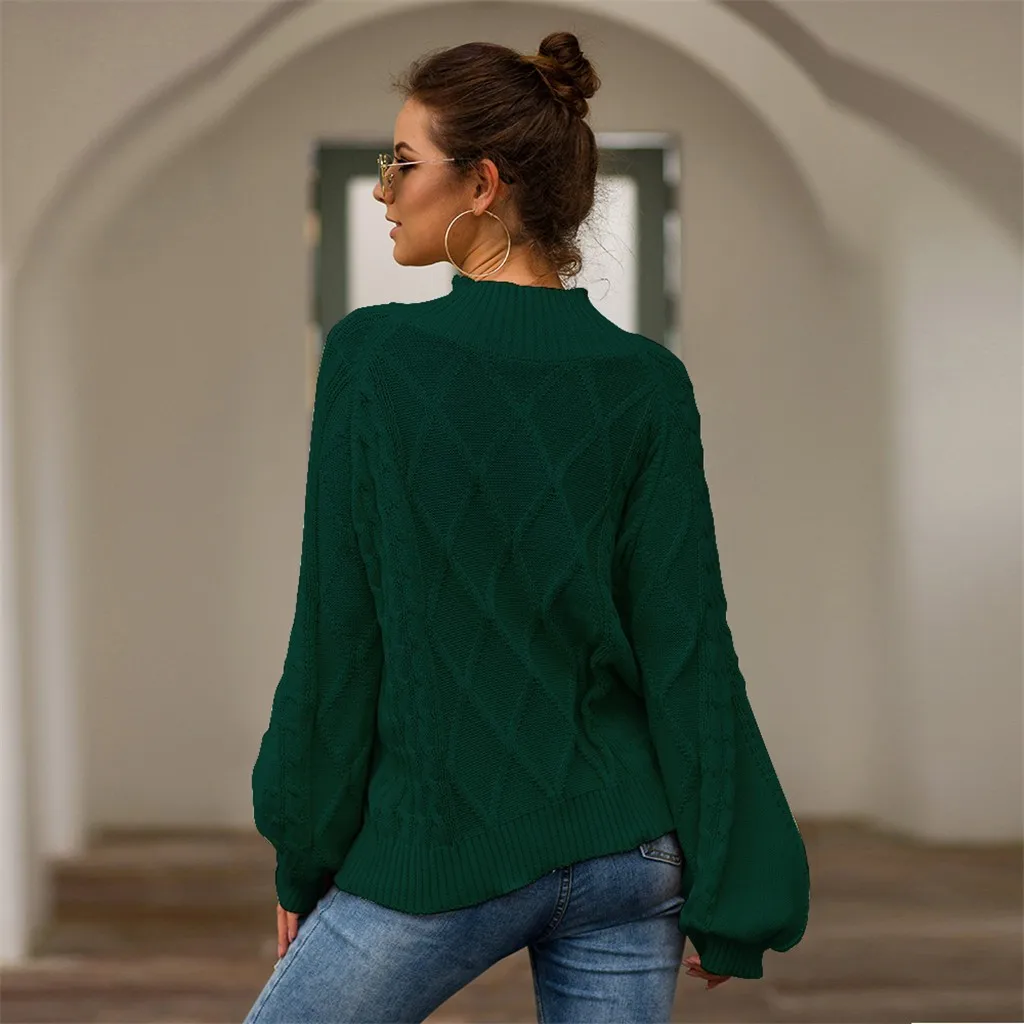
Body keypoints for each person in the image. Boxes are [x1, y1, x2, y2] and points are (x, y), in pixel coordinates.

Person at [242, 31, 809, 1024]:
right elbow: (686, 647)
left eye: (404, 163)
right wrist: (733, 882)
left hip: (441, 846)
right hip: (631, 847)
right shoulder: (645, 382)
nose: (383, 189)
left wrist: (305, 848)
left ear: (483, 183)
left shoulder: (373, 359)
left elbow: (338, 633)